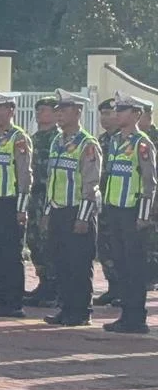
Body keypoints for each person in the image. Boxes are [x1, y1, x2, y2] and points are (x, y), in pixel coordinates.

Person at [42, 89, 102, 327]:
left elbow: (91, 183)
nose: (59, 114)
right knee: (61, 263)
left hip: (77, 211)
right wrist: (48, 211)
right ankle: (66, 308)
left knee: (79, 264)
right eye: (57, 110)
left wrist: (83, 217)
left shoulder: (87, 143)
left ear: (77, 112)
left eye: (64, 110)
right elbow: (52, 179)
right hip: (58, 210)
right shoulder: (58, 141)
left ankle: (81, 312)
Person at [101, 93, 157, 334]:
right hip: (114, 209)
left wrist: (143, 216)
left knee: (134, 266)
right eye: (117, 110)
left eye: (123, 110)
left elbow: (149, 183)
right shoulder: (115, 141)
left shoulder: (141, 143)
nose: (118, 114)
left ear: (136, 114)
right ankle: (126, 314)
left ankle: (136, 317)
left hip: (133, 212)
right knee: (121, 264)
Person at [0, 90, 34, 318]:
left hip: (10, 203)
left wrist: (22, 208)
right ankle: (2, 300)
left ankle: (14, 303)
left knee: (11, 255)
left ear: (10, 111)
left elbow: (24, 175)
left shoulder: (18, 138)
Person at [23, 96, 62, 308]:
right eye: (37, 110)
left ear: (56, 114)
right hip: (34, 197)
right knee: (34, 240)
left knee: (49, 241)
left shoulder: (59, 139)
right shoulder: (33, 139)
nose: (39, 113)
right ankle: (44, 282)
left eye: (44, 110)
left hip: (50, 198)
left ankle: (55, 286)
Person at [94, 98, 123, 307]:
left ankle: (125, 290)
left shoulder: (129, 141)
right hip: (103, 202)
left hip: (123, 203)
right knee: (105, 247)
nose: (104, 118)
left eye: (108, 113)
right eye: (102, 114)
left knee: (122, 247)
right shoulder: (101, 141)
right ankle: (113, 287)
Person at [141, 104, 158, 291]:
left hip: (155, 198)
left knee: (153, 239)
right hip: (141, 197)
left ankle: (152, 277)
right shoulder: (134, 140)